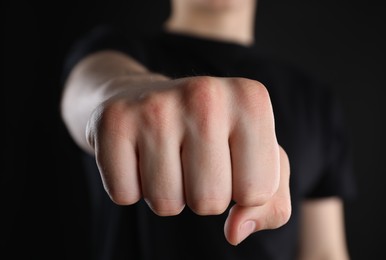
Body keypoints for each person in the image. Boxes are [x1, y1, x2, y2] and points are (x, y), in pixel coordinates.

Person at [60, 0, 356, 259]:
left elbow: (324, 251)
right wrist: (130, 94)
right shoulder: (110, 49)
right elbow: (89, 92)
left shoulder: (314, 98)